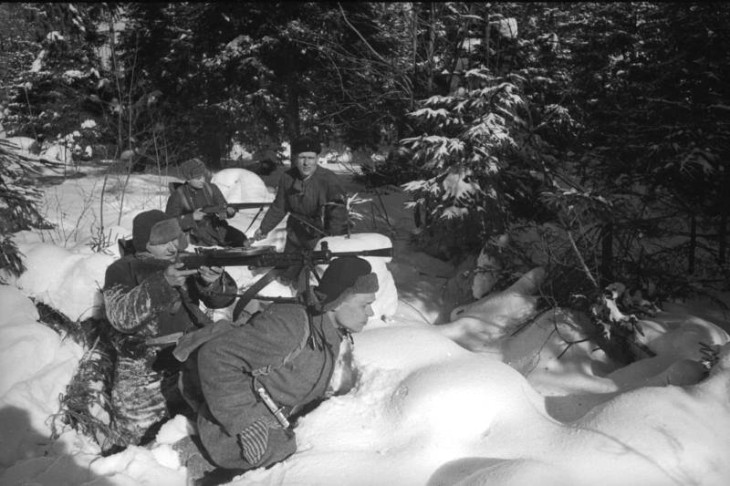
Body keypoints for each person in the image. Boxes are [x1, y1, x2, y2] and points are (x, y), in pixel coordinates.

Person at [192, 256, 378, 477]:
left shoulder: (328, 327)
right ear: (337, 302)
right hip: (235, 428)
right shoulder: (290, 326)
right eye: (365, 305)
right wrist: (247, 422)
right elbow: (215, 356)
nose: (371, 313)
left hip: (280, 418)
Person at [102, 209, 238, 449]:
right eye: (163, 241)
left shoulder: (185, 260)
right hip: (143, 367)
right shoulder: (122, 269)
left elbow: (223, 300)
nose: (172, 247)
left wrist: (212, 282)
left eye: (174, 238)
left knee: (206, 428)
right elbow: (121, 317)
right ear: (145, 243)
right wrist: (163, 282)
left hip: (190, 358)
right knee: (134, 445)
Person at [253, 135, 348, 252]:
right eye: (302, 157)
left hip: (321, 238)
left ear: (317, 158)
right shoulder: (287, 178)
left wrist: (333, 244)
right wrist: (264, 228)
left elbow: (338, 215)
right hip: (295, 236)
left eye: (310, 158)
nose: (306, 163)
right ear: (295, 158)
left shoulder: (329, 180)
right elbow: (280, 207)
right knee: (288, 268)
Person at [166, 157, 247, 247]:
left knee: (242, 240)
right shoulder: (178, 196)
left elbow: (221, 214)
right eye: (198, 178)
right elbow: (168, 224)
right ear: (188, 179)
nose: (203, 180)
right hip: (195, 237)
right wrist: (192, 217)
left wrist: (228, 213)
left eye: (203, 176)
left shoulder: (212, 189)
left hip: (218, 231)